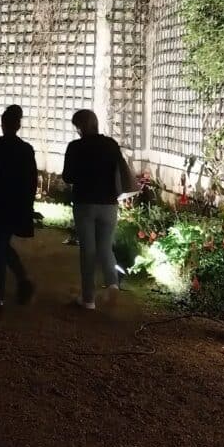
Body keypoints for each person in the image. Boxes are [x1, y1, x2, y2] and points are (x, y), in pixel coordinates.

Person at [61, 109, 126, 310]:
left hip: (85, 204)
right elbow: (120, 171)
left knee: (87, 250)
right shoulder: (111, 145)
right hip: (109, 205)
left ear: (80, 127)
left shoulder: (75, 147)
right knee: (105, 247)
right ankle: (113, 284)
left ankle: (88, 299)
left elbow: (68, 176)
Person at [0, 105, 38, 310]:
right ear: (18, 125)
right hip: (16, 203)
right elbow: (31, 181)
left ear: (3, 124)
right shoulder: (26, 149)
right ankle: (21, 280)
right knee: (2, 244)